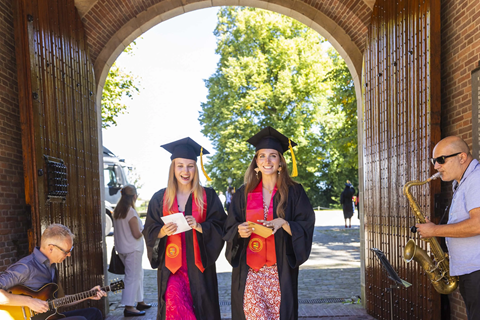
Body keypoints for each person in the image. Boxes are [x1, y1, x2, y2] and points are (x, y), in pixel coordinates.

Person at [223, 126, 315, 320]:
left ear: (281, 162)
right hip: (250, 274)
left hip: (279, 274)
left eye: (273, 155)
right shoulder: (243, 194)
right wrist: (239, 231)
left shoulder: (294, 192)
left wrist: (283, 222)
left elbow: (305, 224)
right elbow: (229, 227)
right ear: (256, 161)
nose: (267, 161)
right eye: (262, 156)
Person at [143, 137, 227, 320]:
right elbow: (149, 228)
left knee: (201, 311)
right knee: (174, 307)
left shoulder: (208, 197)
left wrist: (199, 226)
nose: (185, 171)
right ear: (173, 168)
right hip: (172, 269)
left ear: (196, 169)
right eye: (180, 165)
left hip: (199, 269)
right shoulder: (160, 198)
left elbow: (221, 226)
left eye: (190, 166)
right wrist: (162, 231)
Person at [416, 136, 480, 320]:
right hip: (472, 270)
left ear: (461, 157)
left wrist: (435, 230)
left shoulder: (476, 179)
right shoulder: (463, 182)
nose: (436, 166)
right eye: (433, 161)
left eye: (441, 160)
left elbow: (477, 224)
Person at [0, 224, 106, 320]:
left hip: (48, 317)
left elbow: (60, 300)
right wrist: (29, 302)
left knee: (94, 313)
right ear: (51, 248)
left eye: (71, 249)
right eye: (66, 251)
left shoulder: (52, 267)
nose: (69, 255)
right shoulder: (25, 267)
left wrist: (88, 295)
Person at [113, 184, 151, 317]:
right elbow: (136, 234)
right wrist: (145, 228)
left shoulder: (118, 211)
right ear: (134, 196)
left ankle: (140, 301)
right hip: (133, 248)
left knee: (137, 275)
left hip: (122, 248)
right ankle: (129, 306)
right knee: (132, 277)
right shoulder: (131, 212)